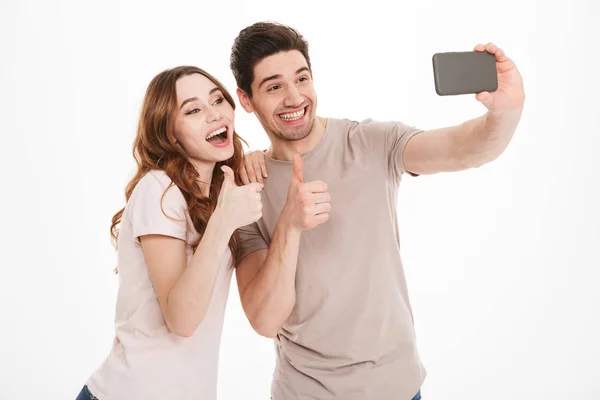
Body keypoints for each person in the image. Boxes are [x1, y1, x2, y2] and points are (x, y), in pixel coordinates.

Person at [229, 22, 525, 399]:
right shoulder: (247, 190)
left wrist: (506, 112)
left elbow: (463, 149)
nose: (294, 97)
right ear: (246, 99)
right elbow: (265, 319)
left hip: (396, 388)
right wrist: (289, 224)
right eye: (274, 87)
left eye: (301, 79)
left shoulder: (370, 143)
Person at [76, 65, 267, 400]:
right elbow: (182, 320)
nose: (213, 114)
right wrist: (224, 222)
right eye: (193, 110)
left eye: (217, 100)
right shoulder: (159, 189)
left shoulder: (217, 194)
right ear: (170, 133)